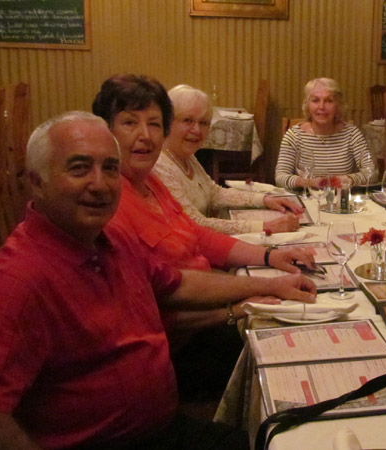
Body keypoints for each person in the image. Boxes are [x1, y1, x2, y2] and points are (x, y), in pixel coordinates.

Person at [0, 112, 315, 450]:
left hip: (160, 425)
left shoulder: (111, 237)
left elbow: (177, 284)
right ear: (37, 182)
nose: (100, 184)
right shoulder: (19, 280)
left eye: (110, 168)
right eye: (79, 168)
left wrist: (271, 285)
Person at [91, 74, 317, 399]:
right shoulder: (111, 205)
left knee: (298, 324)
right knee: (285, 356)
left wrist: (270, 256)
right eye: (130, 123)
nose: (145, 136)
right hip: (177, 350)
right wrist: (236, 309)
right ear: (106, 131)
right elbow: (163, 300)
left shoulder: (148, 180)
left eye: (154, 124)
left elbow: (197, 233)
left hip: (206, 312)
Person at [153, 84, 302, 235]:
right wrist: (265, 226)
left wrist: (264, 199)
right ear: (168, 121)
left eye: (203, 123)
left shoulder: (186, 156)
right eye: (187, 120)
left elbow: (214, 193)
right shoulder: (160, 165)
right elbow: (194, 224)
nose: (197, 130)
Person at [274, 77, 376, 188]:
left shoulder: (352, 134)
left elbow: (372, 173)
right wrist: (309, 183)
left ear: (338, 106)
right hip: (305, 196)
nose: (321, 107)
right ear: (307, 105)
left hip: (340, 196)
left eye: (329, 101)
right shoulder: (294, 135)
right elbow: (280, 177)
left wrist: (346, 180)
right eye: (315, 100)